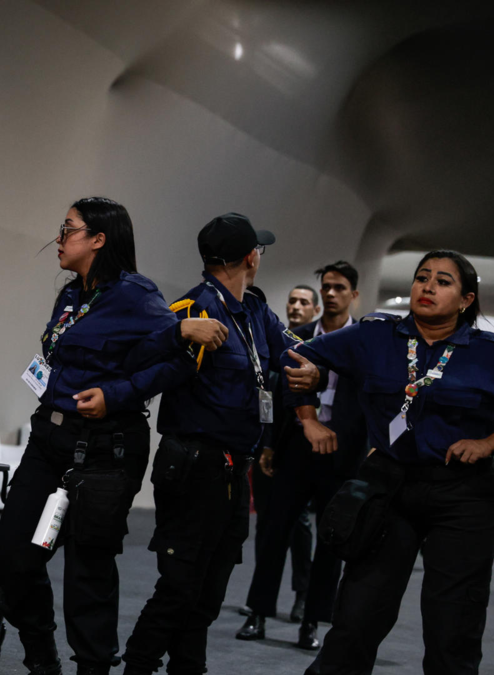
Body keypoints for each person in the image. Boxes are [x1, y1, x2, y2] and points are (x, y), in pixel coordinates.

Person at [0, 198, 228, 675]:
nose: (59, 237)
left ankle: (92, 668)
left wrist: (116, 394)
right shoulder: (72, 294)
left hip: (106, 448)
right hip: (49, 441)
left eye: (69, 228)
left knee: (87, 574)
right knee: (14, 557)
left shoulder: (136, 294)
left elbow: (179, 359)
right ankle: (41, 655)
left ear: (99, 239)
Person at [287, 250, 494, 675]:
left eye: (443, 281)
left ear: (467, 299)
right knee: (357, 615)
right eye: (422, 277)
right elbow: (294, 355)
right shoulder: (373, 335)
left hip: (463, 493)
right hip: (386, 484)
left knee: (452, 625)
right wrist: (308, 414)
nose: (428, 287)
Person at [121, 212, 318, 675]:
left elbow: (294, 348)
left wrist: (313, 365)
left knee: (209, 591)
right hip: (193, 464)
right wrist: (178, 333)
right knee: (179, 588)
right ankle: (137, 668)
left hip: (234, 468)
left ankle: (188, 669)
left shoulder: (254, 311)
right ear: (250, 256)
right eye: (259, 250)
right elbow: (136, 359)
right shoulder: (189, 311)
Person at [238, 261, 367, 649]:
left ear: (353, 295)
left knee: (331, 541)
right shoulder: (299, 336)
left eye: (339, 287)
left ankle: (312, 622)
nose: (330, 293)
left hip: (341, 455)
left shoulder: (364, 342)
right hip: (296, 446)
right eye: (326, 286)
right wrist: (271, 444)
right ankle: (258, 614)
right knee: (275, 530)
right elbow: (280, 394)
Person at [242, 284, 319, 621]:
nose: (297, 306)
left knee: (299, 524)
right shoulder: (268, 343)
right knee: (266, 523)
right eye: (292, 300)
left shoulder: (309, 350)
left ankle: (302, 595)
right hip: (264, 444)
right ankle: (261, 599)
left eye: (304, 301)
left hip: (295, 448)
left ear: (314, 310)